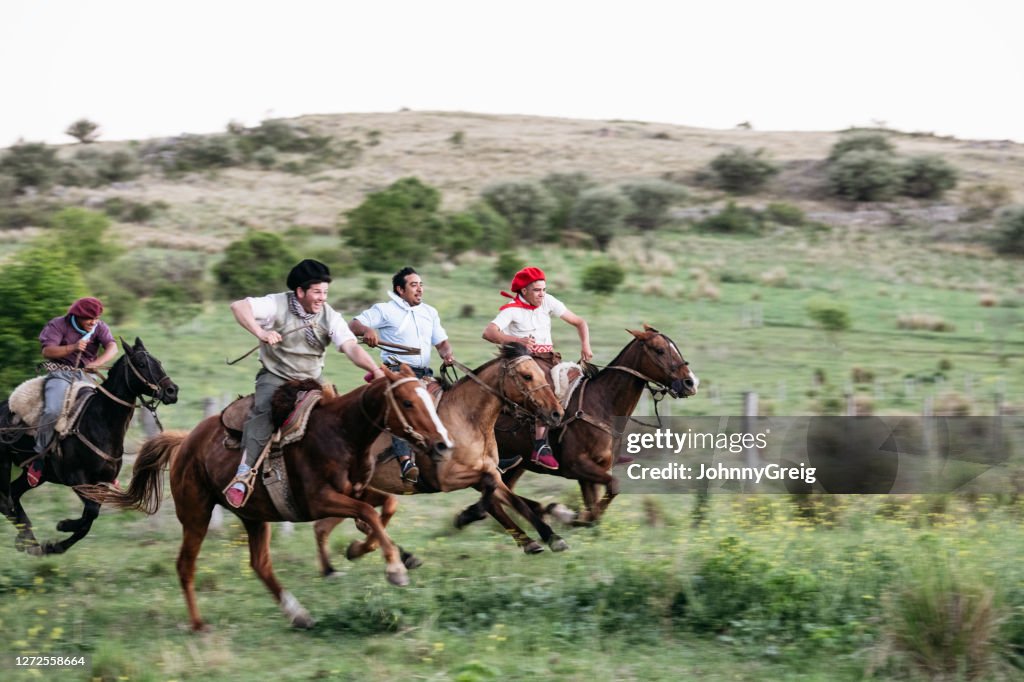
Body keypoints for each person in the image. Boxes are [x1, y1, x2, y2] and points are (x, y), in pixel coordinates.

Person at [225, 259, 384, 508]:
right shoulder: (275, 304)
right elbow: (238, 306)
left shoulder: (330, 316)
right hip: (276, 377)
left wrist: (375, 369)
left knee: (338, 417)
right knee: (263, 413)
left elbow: (350, 347)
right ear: (300, 291)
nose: (322, 298)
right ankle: (243, 475)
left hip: (312, 381)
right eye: (317, 292)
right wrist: (261, 332)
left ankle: (345, 475)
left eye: (325, 292)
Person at [349, 267, 454, 483]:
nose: (419, 289)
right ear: (400, 289)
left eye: (421, 285)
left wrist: (446, 353)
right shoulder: (384, 310)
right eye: (414, 285)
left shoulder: (430, 312)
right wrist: (368, 331)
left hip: (424, 373)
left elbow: (441, 342)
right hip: (397, 373)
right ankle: (406, 461)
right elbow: (354, 324)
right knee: (403, 408)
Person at [482, 266, 592, 470]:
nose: (542, 294)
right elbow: (489, 332)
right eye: (537, 290)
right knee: (545, 386)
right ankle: (541, 446)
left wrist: (585, 345)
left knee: (579, 379)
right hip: (525, 362)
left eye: (544, 289)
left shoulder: (547, 301)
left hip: (549, 358)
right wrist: (517, 340)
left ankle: (588, 439)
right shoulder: (511, 309)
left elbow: (579, 322)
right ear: (524, 291)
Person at [31, 297, 118, 486]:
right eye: (89, 318)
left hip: (86, 376)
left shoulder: (99, 327)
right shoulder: (57, 325)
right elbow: (47, 351)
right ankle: (39, 456)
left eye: (96, 318)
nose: (93, 322)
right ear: (76, 316)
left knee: (106, 413)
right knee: (52, 411)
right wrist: (72, 347)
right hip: (60, 374)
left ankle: (108, 466)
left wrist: (96, 364)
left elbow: (112, 346)